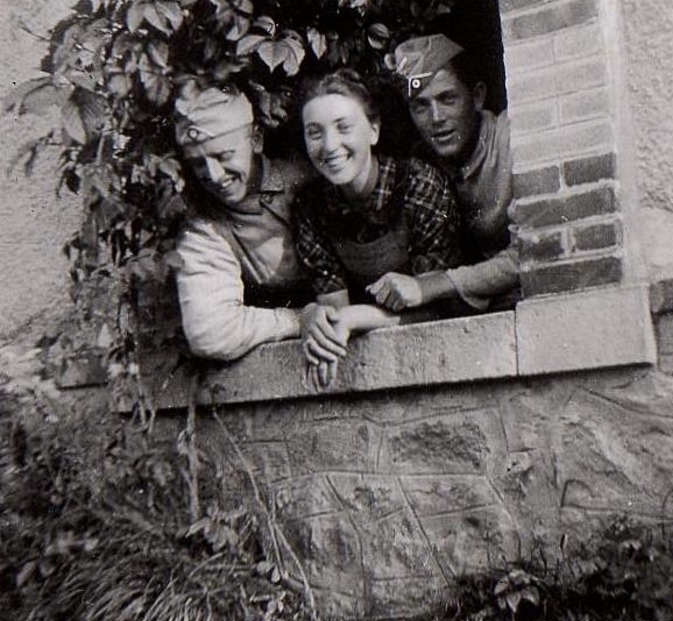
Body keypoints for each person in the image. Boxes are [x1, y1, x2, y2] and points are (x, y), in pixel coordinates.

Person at [293, 68, 463, 384]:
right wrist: (317, 319)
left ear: (373, 130)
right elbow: (335, 313)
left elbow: (439, 303)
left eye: (343, 127)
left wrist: (357, 318)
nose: (330, 146)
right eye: (314, 133)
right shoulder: (310, 206)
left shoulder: (419, 184)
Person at [172, 84, 346, 365]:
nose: (214, 175)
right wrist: (298, 319)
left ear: (255, 139)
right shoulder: (204, 228)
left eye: (223, 155)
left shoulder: (309, 176)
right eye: (198, 163)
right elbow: (211, 333)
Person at [371, 33, 519, 313]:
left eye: (448, 98)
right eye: (421, 106)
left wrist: (436, 285)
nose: (436, 118)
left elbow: (532, 253)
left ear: (477, 96)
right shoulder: (421, 165)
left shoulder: (511, 139)